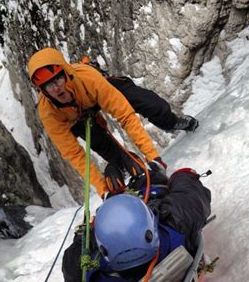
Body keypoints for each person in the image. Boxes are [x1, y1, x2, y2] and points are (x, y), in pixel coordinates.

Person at [27, 47, 198, 197]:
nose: (56, 88)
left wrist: (153, 156)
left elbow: (125, 116)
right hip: (77, 118)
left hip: (96, 90)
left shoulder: (89, 78)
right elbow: (74, 154)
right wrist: (103, 190)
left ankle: (171, 122)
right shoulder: (48, 112)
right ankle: (130, 171)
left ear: (66, 73)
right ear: (42, 90)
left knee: (149, 103)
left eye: (57, 80)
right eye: (49, 86)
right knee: (110, 151)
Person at [62, 167, 211, 282]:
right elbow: (191, 194)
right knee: (154, 179)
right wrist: (183, 174)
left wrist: (88, 233)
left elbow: (75, 256)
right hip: (152, 199)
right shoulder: (178, 220)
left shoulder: (85, 273)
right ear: (150, 232)